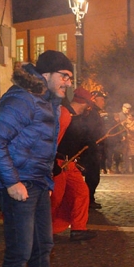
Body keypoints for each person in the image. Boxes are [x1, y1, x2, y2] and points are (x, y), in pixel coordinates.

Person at [0, 50, 73, 267]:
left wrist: (45, 181)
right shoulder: (22, 98)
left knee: (42, 248)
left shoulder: (47, 101)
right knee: (19, 252)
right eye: (64, 76)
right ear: (46, 74)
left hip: (36, 183)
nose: (68, 83)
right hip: (19, 185)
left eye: (70, 78)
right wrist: (12, 182)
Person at [51, 88, 98, 241]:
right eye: (89, 104)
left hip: (69, 163)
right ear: (83, 102)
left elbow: (74, 139)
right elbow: (52, 140)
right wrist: (51, 162)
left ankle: (78, 228)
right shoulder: (63, 114)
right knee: (55, 199)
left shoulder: (76, 117)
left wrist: (87, 143)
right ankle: (43, 230)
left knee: (81, 192)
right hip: (58, 162)